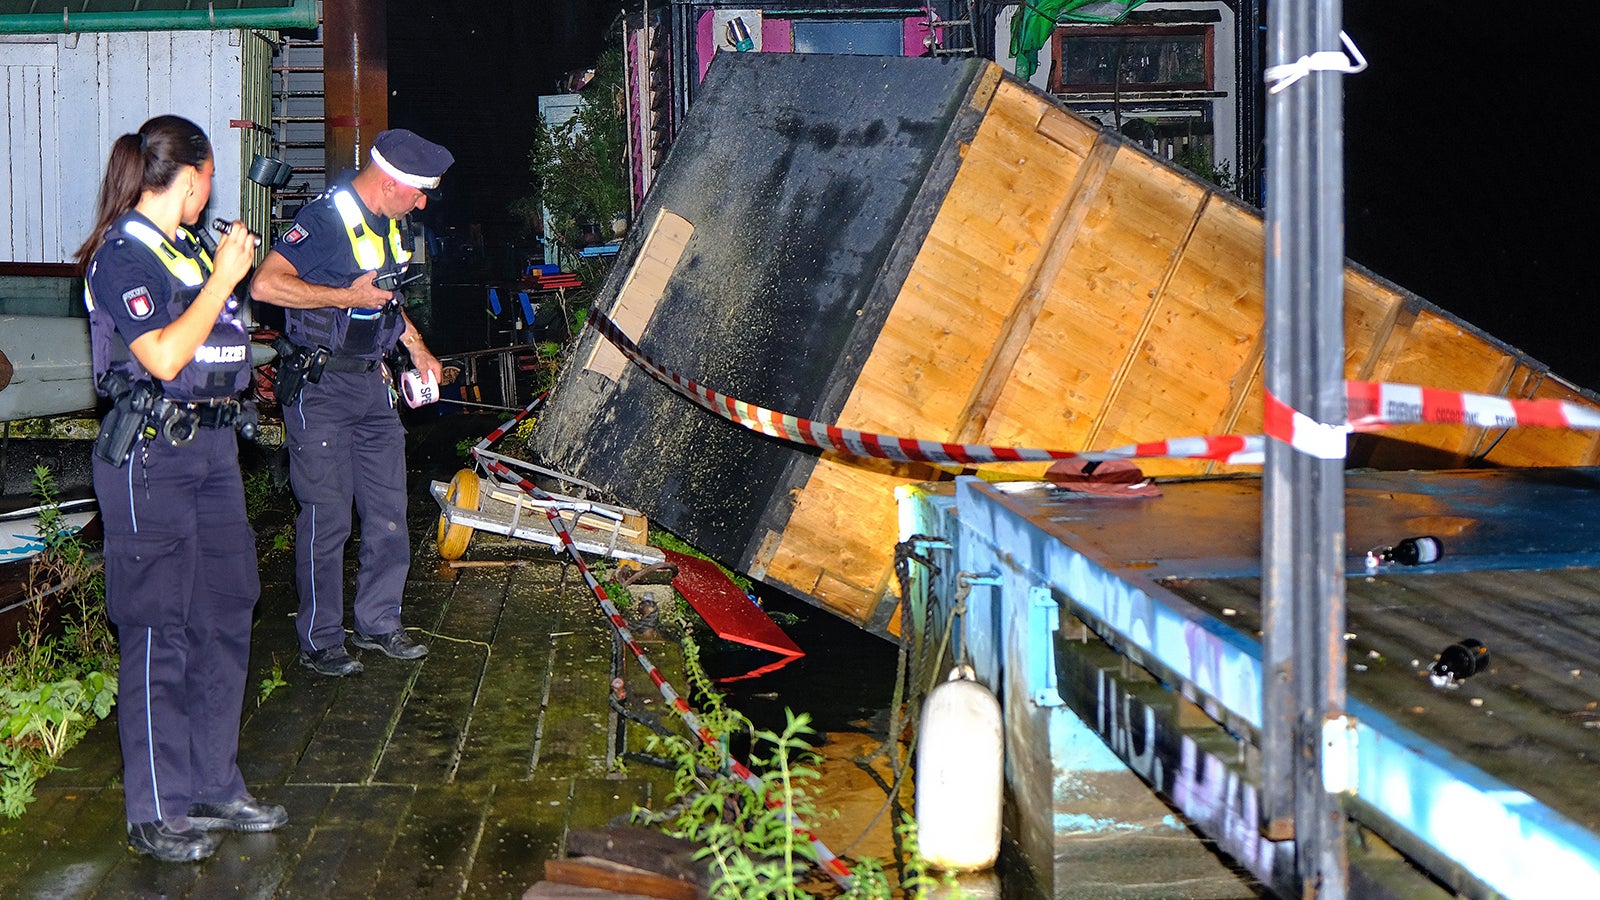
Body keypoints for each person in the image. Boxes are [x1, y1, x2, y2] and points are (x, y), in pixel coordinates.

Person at [76, 115, 287, 863]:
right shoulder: (121, 255)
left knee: (227, 611)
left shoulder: (191, 248)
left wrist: (235, 279)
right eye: (209, 177)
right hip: (152, 460)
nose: (212, 191)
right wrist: (225, 279)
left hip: (214, 451)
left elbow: (222, 340)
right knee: (158, 627)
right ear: (191, 176)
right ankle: (155, 809)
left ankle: (211, 783)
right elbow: (164, 355)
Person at [251, 128, 450, 677]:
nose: (423, 202)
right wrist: (346, 297)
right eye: (417, 192)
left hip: (372, 386)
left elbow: (387, 298)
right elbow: (266, 286)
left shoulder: (390, 222)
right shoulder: (321, 221)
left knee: (388, 509)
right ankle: (320, 639)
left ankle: (379, 623)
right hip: (320, 390)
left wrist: (418, 350)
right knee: (327, 513)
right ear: (389, 183)